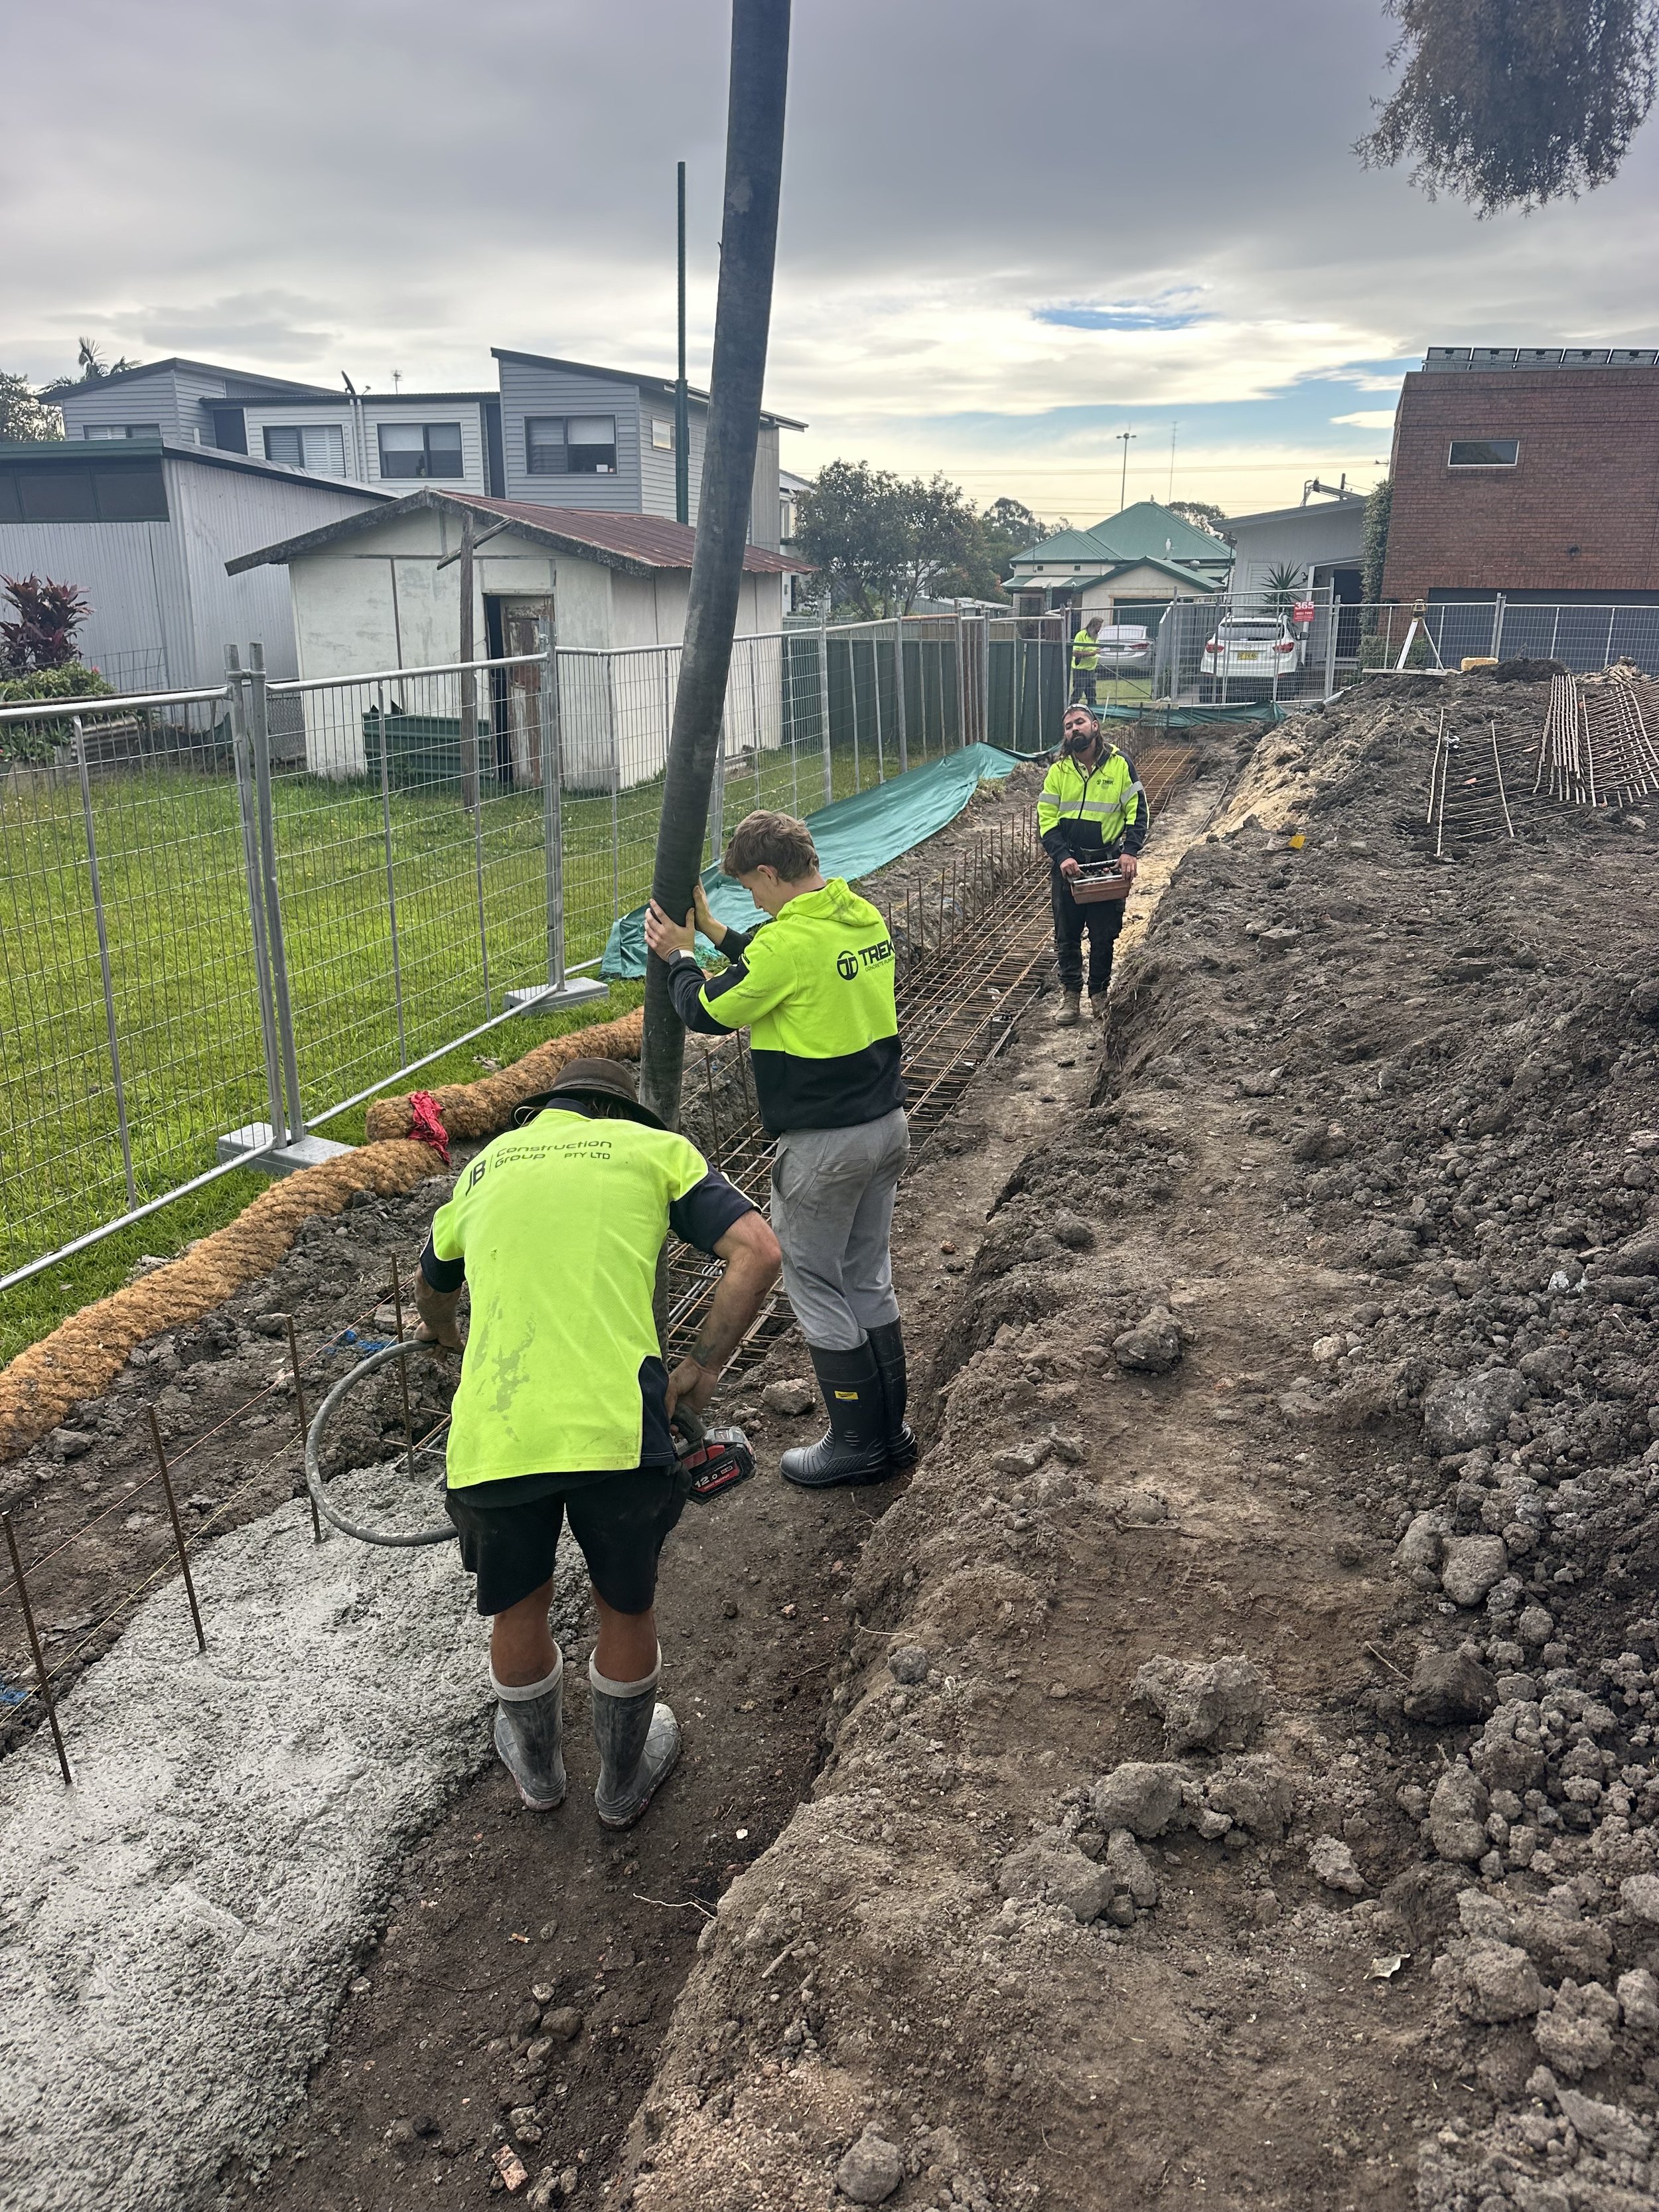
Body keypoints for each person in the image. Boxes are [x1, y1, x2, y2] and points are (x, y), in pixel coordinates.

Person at [413, 1058, 780, 1828]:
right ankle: (620, 1784)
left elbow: (435, 1284)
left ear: (546, 1112)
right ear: (619, 1114)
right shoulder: (653, 1152)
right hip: (618, 1429)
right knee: (625, 1603)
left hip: (498, 1433)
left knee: (517, 1607)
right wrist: (701, 1370)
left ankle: (540, 1773)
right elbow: (758, 1250)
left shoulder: (482, 1171)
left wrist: (447, 1338)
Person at [642, 809, 912, 1493]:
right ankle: (889, 1434)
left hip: (824, 1146)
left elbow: (705, 1010)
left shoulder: (782, 948)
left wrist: (678, 955)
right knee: (866, 1277)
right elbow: (787, 964)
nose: (753, 902)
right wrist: (714, 934)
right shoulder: (859, 917)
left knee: (815, 1285)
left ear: (768, 872)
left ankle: (854, 1443)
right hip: (884, 1128)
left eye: (751, 890)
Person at [1038, 702, 1147, 1027]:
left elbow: (1138, 812)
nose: (1075, 729)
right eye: (1069, 725)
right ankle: (1070, 995)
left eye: (1080, 722)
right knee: (1067, 934)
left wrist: (1130, 851)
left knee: (1103, 934)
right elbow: (1046, 820)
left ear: (1095, 726)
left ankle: (1098, 993)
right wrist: (1062, 856)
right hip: (1070, 864)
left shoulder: (1119, 764)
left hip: (1107, 863)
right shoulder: (1058, 772)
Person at [1070, 615, 1102, 705]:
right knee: (1078, 693)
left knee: (1092, 694)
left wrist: (1097, 652)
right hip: (1081, 669)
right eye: (1098, 627)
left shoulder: (1095, 637)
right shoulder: (1081, 635)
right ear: (1093, 625)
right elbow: (1076, 652)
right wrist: (1092, 654)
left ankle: (1093, 711)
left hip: (1091, 670)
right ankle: (1072, 708)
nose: (1099, 629)